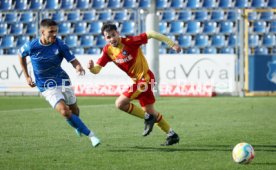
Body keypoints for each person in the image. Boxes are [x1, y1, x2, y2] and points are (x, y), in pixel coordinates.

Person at [87, 23, 181, 146]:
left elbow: (151, 33)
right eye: (108, 37)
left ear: (118, 33)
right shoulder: (107, 50)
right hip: (139, 82)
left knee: (120, 103)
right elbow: (97, 69)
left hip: (146, 78)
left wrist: (172, 44)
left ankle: (148, 117)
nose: (112, 39)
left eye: (113, 35)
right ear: (105, 38)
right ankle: (171, 134)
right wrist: (91, 68)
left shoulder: (130, 41)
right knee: (151, 111)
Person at [18, 19, 100, 147]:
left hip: (62, 80)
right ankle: (92, 136)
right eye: (51, 31)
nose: (54, 34)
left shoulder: (60, 44)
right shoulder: (32, 46)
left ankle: (77, 126)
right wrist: (27, 76)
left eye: (56, 31)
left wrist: (78, 67)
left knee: (74, 111)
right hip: (46, 85)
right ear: (42, 31)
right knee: (65, 111)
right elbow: (20, 55)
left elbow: (73, 60)